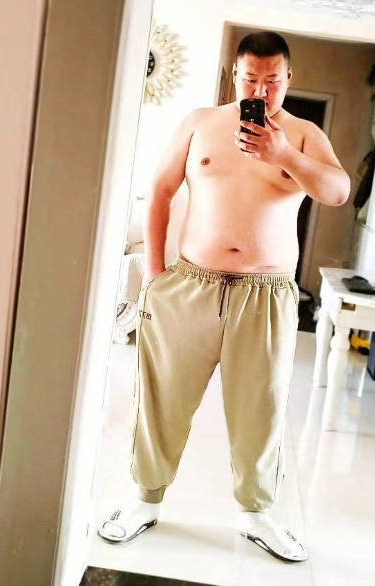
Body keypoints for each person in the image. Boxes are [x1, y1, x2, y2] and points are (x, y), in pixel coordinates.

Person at [99, 31, 350, 562]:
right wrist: (155, 276)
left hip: (266, 294)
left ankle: (256, 515)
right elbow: (160, 190)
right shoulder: (200, 123)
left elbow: (336, 191)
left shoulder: (303, 135)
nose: (261, 90)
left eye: (272, 80)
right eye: (251, 78)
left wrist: (284, 154)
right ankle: (144, 501)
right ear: (234, 75)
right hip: (190, 284)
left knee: (261, 407)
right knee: (161, 397)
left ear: (289, 78)